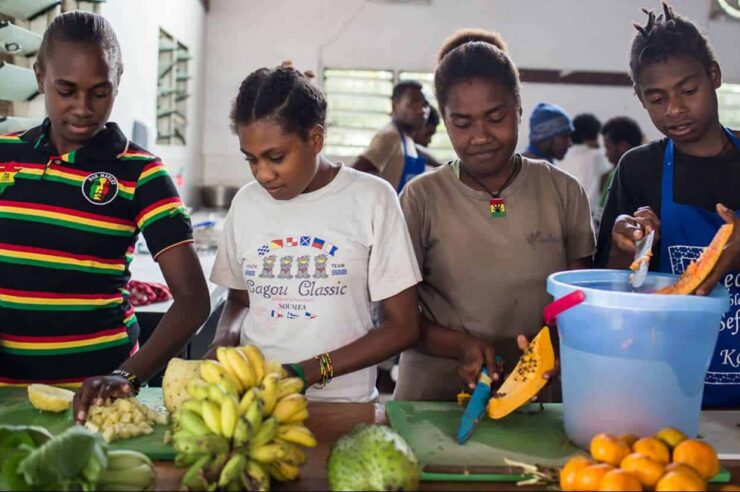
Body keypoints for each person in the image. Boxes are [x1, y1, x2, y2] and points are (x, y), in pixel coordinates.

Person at [0, 12, 210, 421]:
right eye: (66, 90)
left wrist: (125, 377)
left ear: (118, 82)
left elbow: (193, 300)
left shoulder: (140, 172)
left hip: (97, 402)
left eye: (99, 92)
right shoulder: (5, 156)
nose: (82, 108)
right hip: (5, 395)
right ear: (40, 76)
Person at [392, 28, 595, 401]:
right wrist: (460, 345)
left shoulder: (563, 192)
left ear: (518, 108)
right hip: (435, 397)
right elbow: (397, 319)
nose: (481, 135)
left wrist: (553, 342)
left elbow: (578, 301)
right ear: (445, 121)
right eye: (463, 123)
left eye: (495, 117)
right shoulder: (420, 198)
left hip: (538, 394)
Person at [206, 64, 421, 402]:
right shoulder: (247, 203)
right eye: (251, 159)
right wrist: (223, 341)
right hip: (252, 400)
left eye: (275, 157)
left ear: (315, 139)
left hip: (342, 404)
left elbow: (403, 326)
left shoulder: (372, 199)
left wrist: (306, 372)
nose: (263, 174)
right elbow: (239, 299)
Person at [596, 3, 740, 407]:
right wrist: (625, 250)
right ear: (640, 99)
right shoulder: (640, 168)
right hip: (667, 389)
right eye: (657, 98)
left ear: (714, 76)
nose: (674, 109)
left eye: (688, 91)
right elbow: (609, 288)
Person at [352, 80, 428, 192]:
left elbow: (422, 153)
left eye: (424, 105)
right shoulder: (388, 137)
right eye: (414, 102)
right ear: (394, 105)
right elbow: (355, 172)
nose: (421, 110)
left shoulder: (406, 139)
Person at [558, 113, 612, 214]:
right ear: (593, 135)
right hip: (587, 214)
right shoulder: (597, 156)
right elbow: (613, 171)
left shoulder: (563, 155)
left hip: (563, 212)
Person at [595, 116, 644, 220]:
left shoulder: (615, 175)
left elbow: (600, 220)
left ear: (623, 147)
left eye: (608, 147)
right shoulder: (650, 170)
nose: (606, 154)